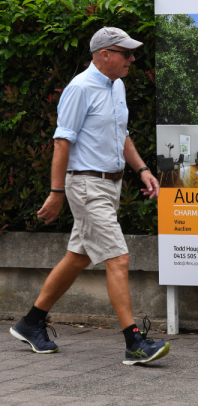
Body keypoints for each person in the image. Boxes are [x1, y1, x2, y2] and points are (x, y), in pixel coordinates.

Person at [9, 27, 170, 366]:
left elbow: (120, 134)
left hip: (110, 185)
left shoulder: (118, 86)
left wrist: (142, 169)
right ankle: (134, 343)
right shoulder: (80, 88)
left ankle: (31, 322)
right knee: (119, 257)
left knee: (79, 257)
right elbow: (61, 142)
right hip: (85, 186)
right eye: (125, 53)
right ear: (103, 55)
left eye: (132, 53)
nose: (132, 59)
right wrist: (56, 193)